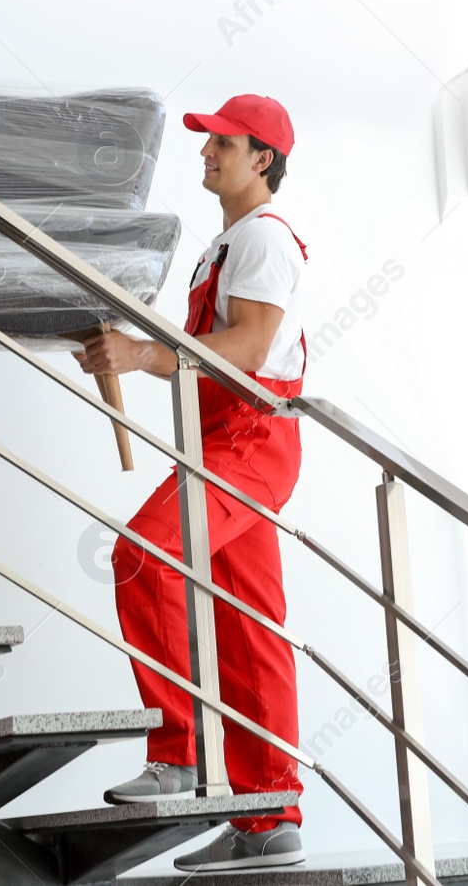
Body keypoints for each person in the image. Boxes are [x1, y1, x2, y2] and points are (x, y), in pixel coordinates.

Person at [76, 95, 309, 872]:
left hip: (251, 437)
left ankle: (179, 752)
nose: (206, 153)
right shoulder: (228, 243)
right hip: (219, 441)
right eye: (206, 142)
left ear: (263, 159)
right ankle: (269, 820)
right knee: (250, 634)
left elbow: (249, 343)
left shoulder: (266, 238)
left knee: (143, 555)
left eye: (222, 143)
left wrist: (143, 354)